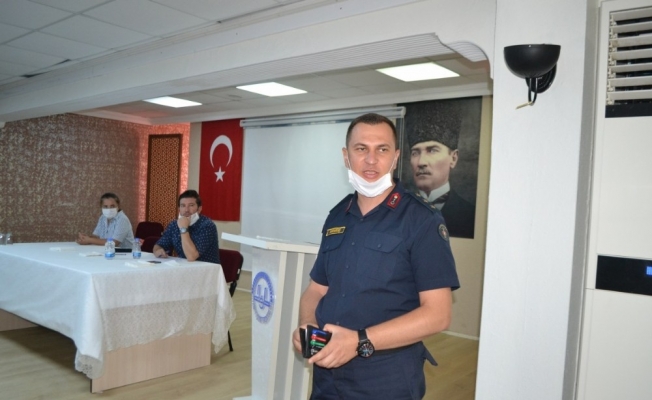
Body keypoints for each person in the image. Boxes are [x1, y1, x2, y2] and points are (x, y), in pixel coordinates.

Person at [293, 113, 460, 399]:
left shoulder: (421, 220)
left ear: (395, 157)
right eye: (361, 149)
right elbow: (316, 290)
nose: (371, 160)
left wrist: (358, 341)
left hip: (385, 378)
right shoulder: (337, 216)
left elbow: (438, 315)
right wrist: (307, 324)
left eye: (382, 149)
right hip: (327, 375)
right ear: (346, 156)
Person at [406, 100, 476, 239]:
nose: (421, 162)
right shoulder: (397, 210)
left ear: (453, 158)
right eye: (415, 153)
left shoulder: (469, 215)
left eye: (432, 150)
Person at [153, 190, 220, 263]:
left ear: (199, 209)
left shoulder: (207, 226)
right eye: (183, 206)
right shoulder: (174, 224)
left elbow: (191, 257)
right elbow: (159, 245)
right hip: (183, 266)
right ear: (179, 209)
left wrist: (183, 228)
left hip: (205, 268)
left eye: (191, 205)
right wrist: (157, 250)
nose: (186, 210)